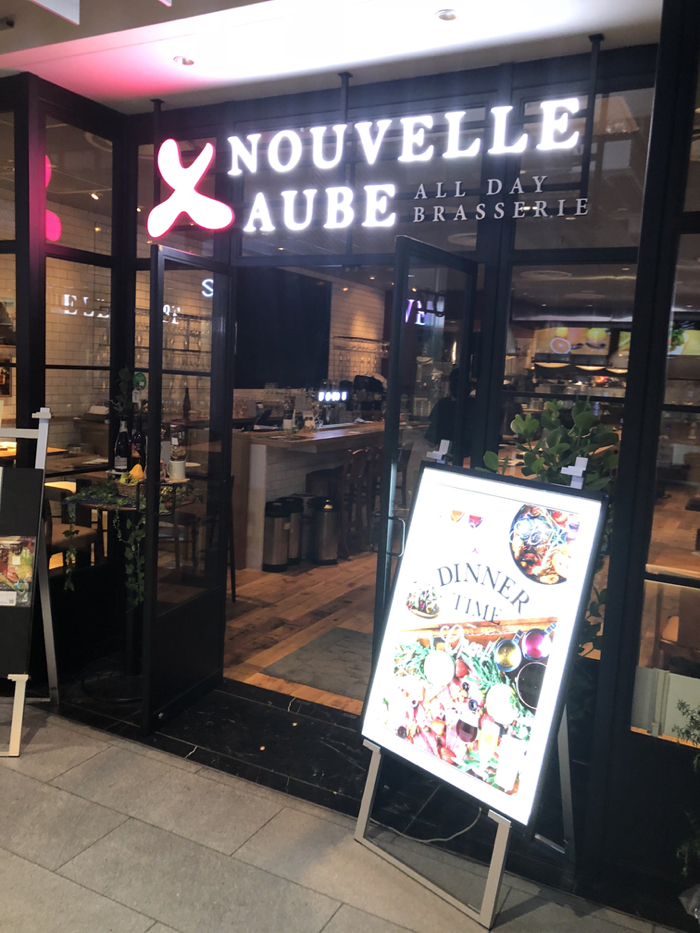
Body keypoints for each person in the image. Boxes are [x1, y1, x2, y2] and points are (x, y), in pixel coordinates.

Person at [425, 368, 474, 456]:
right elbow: (431, 441)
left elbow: (431, 442)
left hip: (458, 455)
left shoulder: (443, 405)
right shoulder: (475, 405)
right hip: (456, 456)